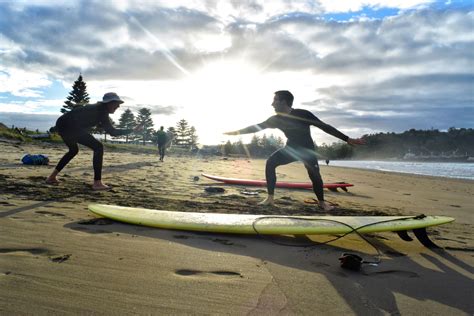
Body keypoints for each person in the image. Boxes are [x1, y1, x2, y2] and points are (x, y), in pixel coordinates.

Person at [224, 90, 365, 211]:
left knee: (315, 175)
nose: (272, 104)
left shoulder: (303, 114)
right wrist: (235, 133)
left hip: (307, 151)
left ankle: (322, 203)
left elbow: (325, 127)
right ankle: (270, 198)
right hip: (291, 150)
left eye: (275, 100)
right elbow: (256, 127)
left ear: (284, 102)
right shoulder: (276, 119)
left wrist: (347, 139)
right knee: (271, 163)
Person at [46, 92, 135, 190]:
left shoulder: (95, 109)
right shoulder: (102, 111)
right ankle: (97, 183)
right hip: (69, 126)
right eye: (116, 103)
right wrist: (132, 130)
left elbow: (76, 114)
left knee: (73, 150)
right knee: (98, 147)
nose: (118, 106)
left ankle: (52, 177)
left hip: (62, 124)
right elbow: (112, 132)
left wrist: (57, 128)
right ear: (109, 103)